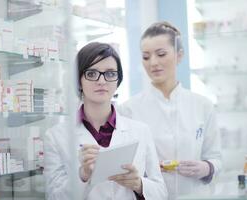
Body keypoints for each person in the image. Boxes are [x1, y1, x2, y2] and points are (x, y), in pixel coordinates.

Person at [44, 42, 167, 200]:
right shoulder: (56, 137)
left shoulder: (141, 131)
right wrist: (83, 176)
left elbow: (161, 192)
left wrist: (139, 184)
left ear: (117, 80)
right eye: (91, 73)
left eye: (110, 74)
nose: (101, 81)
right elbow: (53, 196)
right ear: (79, 80)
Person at [118, 21, 222, 199]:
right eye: (146, 56)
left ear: (179, 55)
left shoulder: (203, 105)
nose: (153, 63)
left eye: (161, 54)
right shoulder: (128, 110)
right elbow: (123, 165)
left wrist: (207, 167)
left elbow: (216, 157)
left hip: (195, 195)